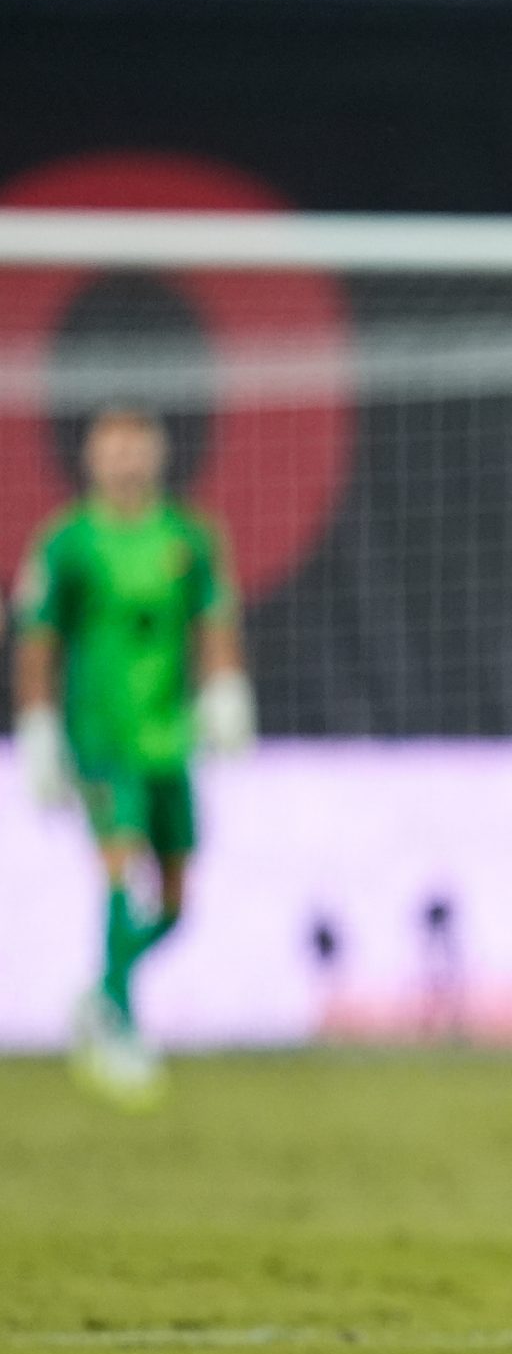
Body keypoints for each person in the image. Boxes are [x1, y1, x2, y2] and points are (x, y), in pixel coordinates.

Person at [12, 406, 256, 1109]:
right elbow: (37, 638)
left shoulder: (188, 537)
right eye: (112, 450)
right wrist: (36, 724)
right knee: (119, 868)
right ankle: (119, 1028)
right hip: (101, 740)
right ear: (91, 460)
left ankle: (100, 993)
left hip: (168, 740)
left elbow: (214, 619)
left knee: (178, 904)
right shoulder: (67, 543)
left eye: (136, 449)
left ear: (156, 456)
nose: (125, 463)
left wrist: (226, 688)